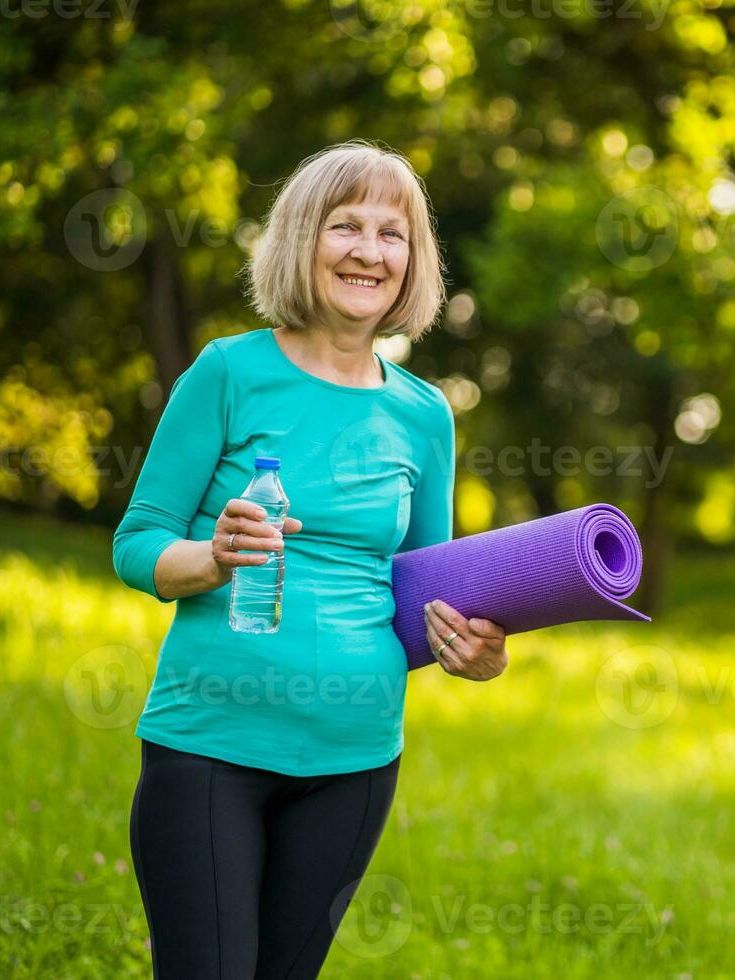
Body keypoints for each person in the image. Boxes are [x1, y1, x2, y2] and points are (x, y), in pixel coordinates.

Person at [112, 140, 506, 979]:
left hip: (357, 758)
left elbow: (422, 596)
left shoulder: (425, 415)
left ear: (413, 260)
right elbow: (136, 545)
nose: (369, 250)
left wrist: (471, 649)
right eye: (346, 226)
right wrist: (214, 558)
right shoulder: (228, 372)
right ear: (302, 240)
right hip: (211, 746)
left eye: (391, 233)